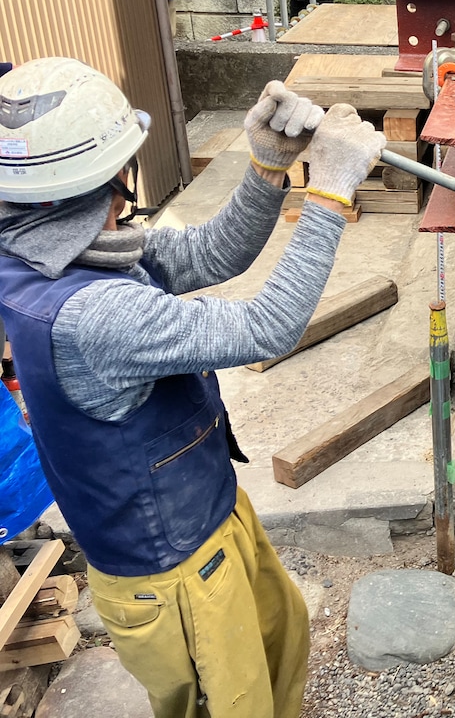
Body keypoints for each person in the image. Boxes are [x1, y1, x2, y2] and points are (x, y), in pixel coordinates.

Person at [0, 57, 386, 717]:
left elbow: (210, 253)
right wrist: (328, 191)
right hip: (170, 573)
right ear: (105, 185)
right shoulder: (91, 315)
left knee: (283, 638)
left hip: (207, 514)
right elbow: (268, 326)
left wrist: (267, 167)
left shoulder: (59, 248)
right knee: (233, 705)